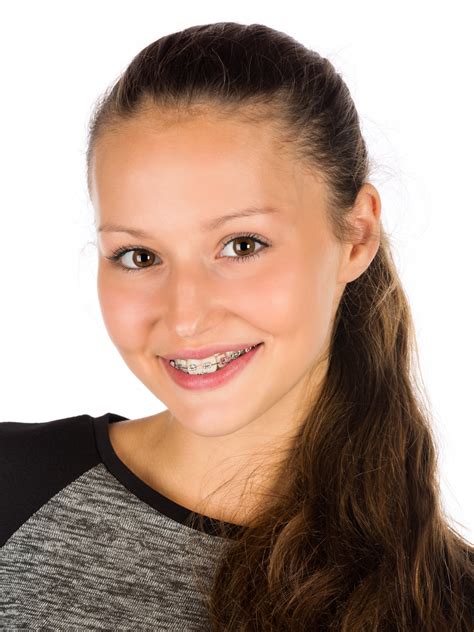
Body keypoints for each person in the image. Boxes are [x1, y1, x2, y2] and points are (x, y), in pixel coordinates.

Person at [1, 21, 472, 631]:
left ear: (356, 235)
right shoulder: (12, 489)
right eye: (139, 256)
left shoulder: (447, 604)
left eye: (242, 245)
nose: (186, 315)